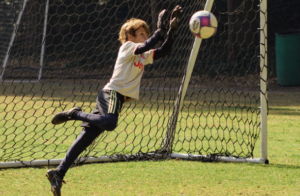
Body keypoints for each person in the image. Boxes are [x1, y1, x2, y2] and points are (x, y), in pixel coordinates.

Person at [46, 5, 183, 196]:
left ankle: (58, 173)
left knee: (86, 139)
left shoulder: (142, 55)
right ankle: (74, 113)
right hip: (112, 94)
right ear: (130, 35)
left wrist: (171, 31)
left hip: (114, 97)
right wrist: (159, 31)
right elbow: (147, 45)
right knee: (110, 123)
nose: (146, 36)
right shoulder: (127, 47)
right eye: (142, 33)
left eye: (147, 33)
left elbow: (163, 51)